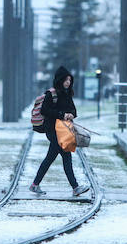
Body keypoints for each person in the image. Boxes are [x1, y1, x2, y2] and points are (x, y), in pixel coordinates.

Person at [29, 66, 91, 198]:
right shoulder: (51, 94)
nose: (68, 82)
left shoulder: (68, 94)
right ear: (60, 80)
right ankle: (75, 187)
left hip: (64, 132)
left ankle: (35, 184)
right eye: (65, 80)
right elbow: (45, 111)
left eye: (69, 79)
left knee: (51, 158)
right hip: (53, 130)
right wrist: (62, 114)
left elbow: (74, 110)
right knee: (66, 157)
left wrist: (70, 115)